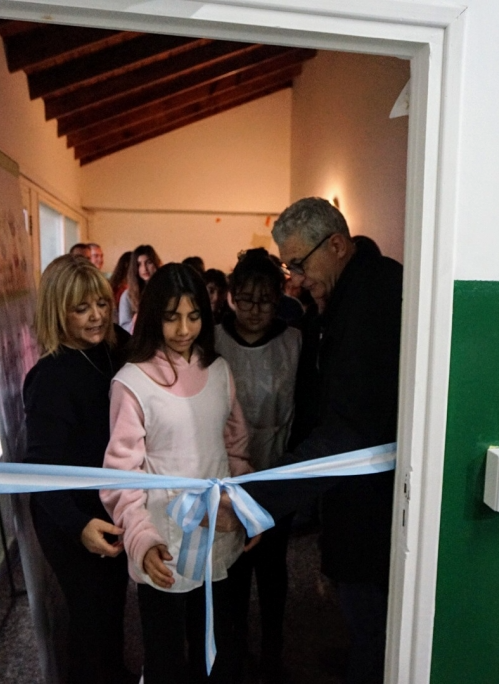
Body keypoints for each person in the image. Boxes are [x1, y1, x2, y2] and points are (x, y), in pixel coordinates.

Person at [240, 197, 403, 684]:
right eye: (289, 267)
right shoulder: (348, 294)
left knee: (373, 622)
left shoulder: (375, 299)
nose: (294, 280)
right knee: (360, 616)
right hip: (349, 492)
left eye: (299, 264)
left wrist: (260, 496)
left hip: (372, 497)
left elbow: (349, 428)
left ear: (335, 245)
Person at [102, 263, 254, 684]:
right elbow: (121, 476)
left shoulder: (218, 370)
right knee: (166, 655)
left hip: (219, 531)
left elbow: (236, 449)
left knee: (218, 645)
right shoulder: (132, 382)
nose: (184, 329)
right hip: (163, 540)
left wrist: (246, 510)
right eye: (171, 317)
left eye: (194, 316)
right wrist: (140, 539)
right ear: (153, 317)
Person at [23, 255, 136, 684]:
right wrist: (77, 526)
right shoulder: (50, 377)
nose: (97, 316)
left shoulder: (116, 348)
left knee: (111, 607)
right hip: (70, 514)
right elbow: (40, 470)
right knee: (89, 616)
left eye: (102, 304)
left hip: (110, 505)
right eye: (81, 308)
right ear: (58, 312)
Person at [216, 249, 302, 684]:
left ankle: (272, 653)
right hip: (224, 477)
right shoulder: (213, 339)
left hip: (275, 471)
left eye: (265, 300)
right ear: (232, 295)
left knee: (271, 570)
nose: (254, 310)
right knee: (231, 569)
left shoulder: (294, 341)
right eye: (246, 299)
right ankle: (232, 652)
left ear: (279, 298)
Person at [118, 244, 161, 333]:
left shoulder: (166, 291)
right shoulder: (127, 296)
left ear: (156, 263)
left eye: (148, 262)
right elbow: (123, 328)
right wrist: (135, 322)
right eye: (139, 264)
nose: (144, 268)